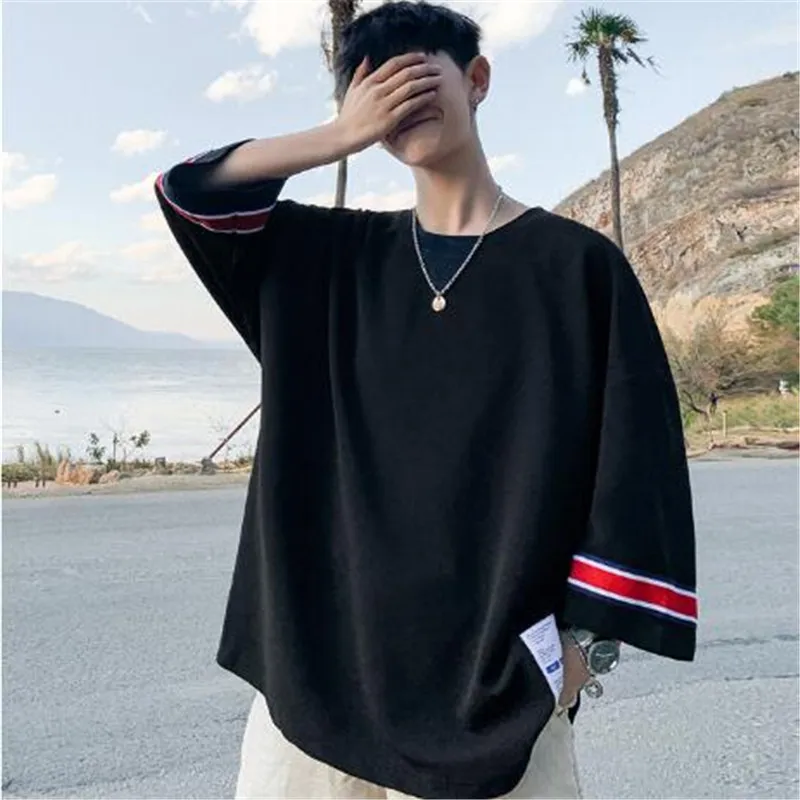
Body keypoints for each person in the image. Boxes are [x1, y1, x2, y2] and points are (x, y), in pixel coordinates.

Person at [156, 2, 697, 798]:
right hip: (311, 686)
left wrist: (575, 660)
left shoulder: (574, 268)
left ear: (477, 79)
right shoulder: (327, 262)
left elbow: (634, 472)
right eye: (372, 84)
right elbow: (191, 193)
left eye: (414, 70)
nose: (396, 96)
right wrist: (336, 136)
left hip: (494, 706)